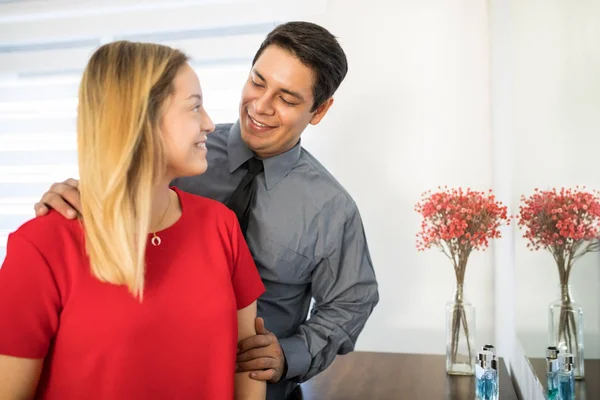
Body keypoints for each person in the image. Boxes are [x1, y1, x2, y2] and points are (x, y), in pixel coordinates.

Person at [33, 21, 379, 400]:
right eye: (258, 82)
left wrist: (290, 354)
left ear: (319, 110)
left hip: (260, 386)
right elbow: (122, 188)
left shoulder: (331, 208)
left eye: (287, 98)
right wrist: (85, 197)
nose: (260, 106)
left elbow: (352, 299)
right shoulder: (179, 152)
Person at [0, 41, 266, 400]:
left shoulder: (220, 226)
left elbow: (248, 360)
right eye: (195, 107)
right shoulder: (41, 246)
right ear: (141, 120)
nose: (209, 124)